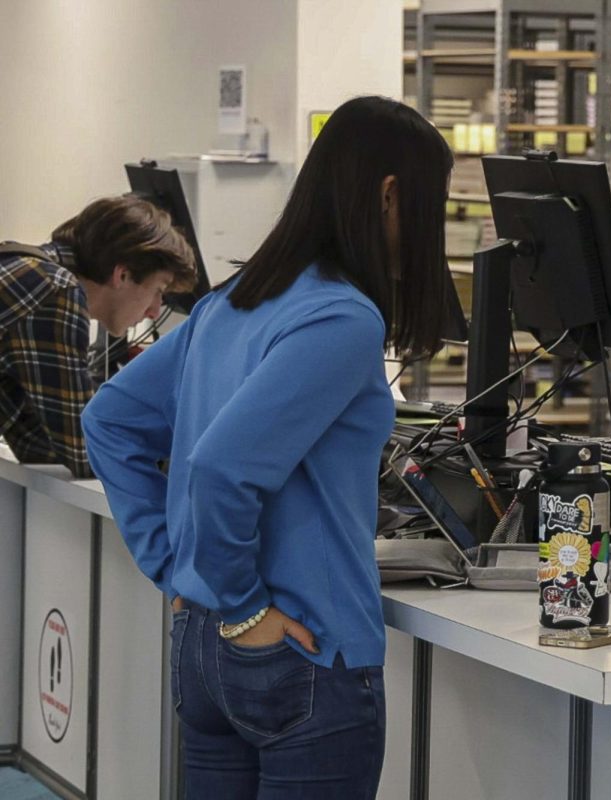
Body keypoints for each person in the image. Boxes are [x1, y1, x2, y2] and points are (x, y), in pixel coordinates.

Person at [82, 96, 453, 798]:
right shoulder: (344, 317)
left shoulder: (232, 300)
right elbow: (219, 467)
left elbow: (110, 420)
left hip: (205, 650)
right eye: (429, 207)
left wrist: (181, 572)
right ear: (388, 195)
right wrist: (240, 601)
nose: (431, 232)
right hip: (299, 651)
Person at [0, 196, 195, 476]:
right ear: (123, 275)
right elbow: (86, 451)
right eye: (158, 290)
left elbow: (32, 442)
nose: (154, 310)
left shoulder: (24, 269)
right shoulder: (55, 290)